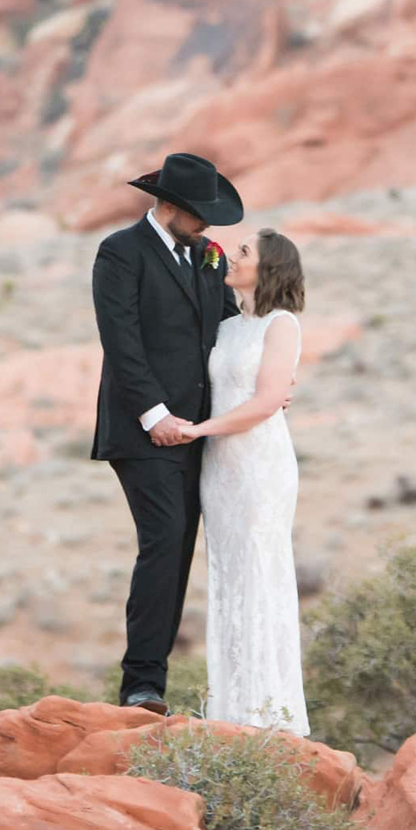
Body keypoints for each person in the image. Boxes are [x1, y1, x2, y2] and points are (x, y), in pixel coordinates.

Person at [90, 152, 242, 713]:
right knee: (163, 539)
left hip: (200, 431)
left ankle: (152, 684)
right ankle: (141, 686)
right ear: (172, 206)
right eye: (201, 213)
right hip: (140, 431)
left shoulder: (208, 256)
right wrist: (156, 416)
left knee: (178, 549)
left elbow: (227, 328)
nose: (209, 225)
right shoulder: (120, 252)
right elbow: (121, 340)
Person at [183, 229, 309, 734]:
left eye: (243, 253)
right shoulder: (230, 325)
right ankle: (231, 710)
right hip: (220, 471)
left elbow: (264, 403)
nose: (231, 258)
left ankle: (270, 714)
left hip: (259, 466)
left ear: (270, 266)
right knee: (228, 578)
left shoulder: (282, 325)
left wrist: (198, 430)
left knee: (261, 573)